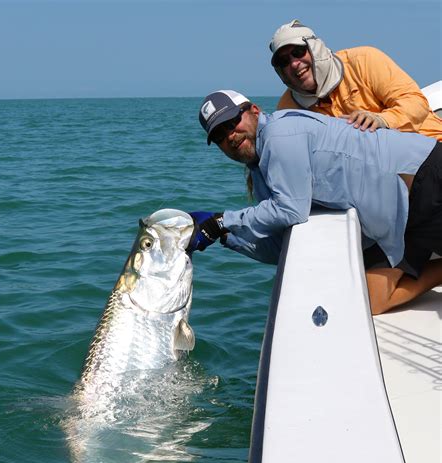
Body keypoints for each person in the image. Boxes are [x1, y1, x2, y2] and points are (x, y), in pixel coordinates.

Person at [188, 90, 442, 315]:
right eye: (220, 135)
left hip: (425, 180)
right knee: (373, 301)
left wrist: (222, 221)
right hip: (397, 222)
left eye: (233, 122)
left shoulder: (280, 135)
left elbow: (290, 209)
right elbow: (280, 240)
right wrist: (227, 236)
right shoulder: (260, 169)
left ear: (254, 110)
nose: (230, 136)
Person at [269, 19, 442, 139]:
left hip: (429, 144)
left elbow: (416, 104)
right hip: (378, 176)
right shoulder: (287, 109)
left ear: (315, 49)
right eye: (284, 61)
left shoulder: (364, 60)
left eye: (298, 52)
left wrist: (382, 120)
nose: (294, 63)